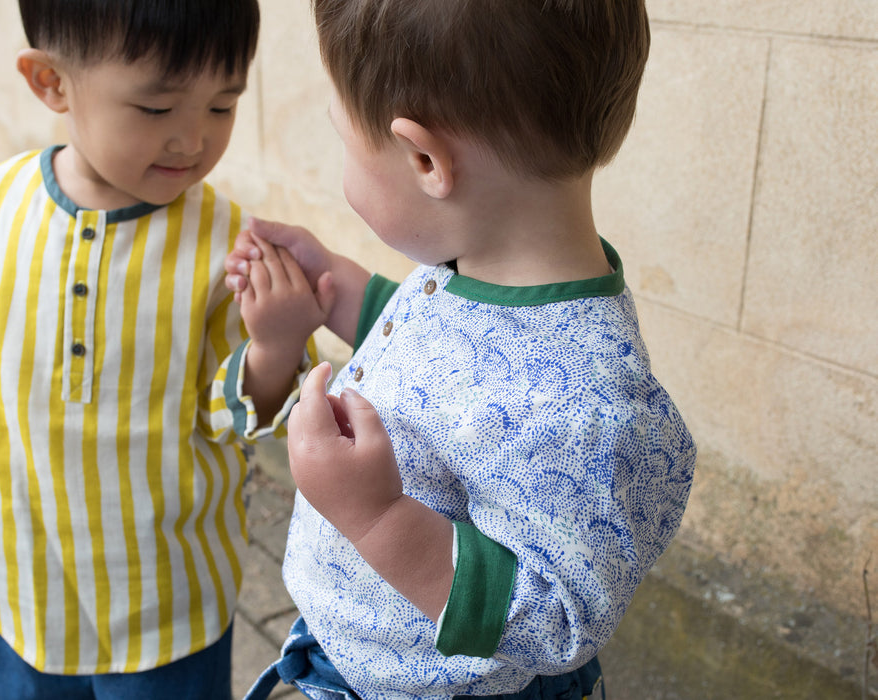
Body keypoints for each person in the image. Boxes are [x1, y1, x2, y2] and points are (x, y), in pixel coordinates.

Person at [226, 1, 697, 698]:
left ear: (424, 159)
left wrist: (376, 516)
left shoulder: (582, 407)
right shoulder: (484, 261)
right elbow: (445, 350)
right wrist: (332, 288)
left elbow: (555, 621)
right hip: (363, 647)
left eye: (345, 143)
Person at [0, 1, 330, 698]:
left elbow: (242, 412)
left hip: (164, 587)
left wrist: (273, 347)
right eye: (155, 109)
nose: (192, 141)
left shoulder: (228, 244)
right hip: (14, 571)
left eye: (222, 106)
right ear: (50, 82)